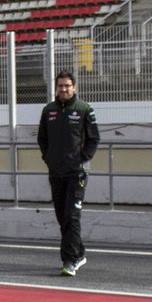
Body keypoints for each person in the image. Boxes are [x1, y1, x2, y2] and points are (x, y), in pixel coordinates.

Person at [37, 70, 99, 276]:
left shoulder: (84, 109)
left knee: (72, 216)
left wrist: (82, 160)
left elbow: (94, 139)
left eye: (67, 86)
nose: (63, 89)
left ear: (74, 87)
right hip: (56, 172)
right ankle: (79, 253)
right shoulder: (49, 110)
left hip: (77, 173)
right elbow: (42, 139)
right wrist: (49, 158)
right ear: (56, 88)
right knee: (62, 217)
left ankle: (70, 260)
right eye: (60, 86)